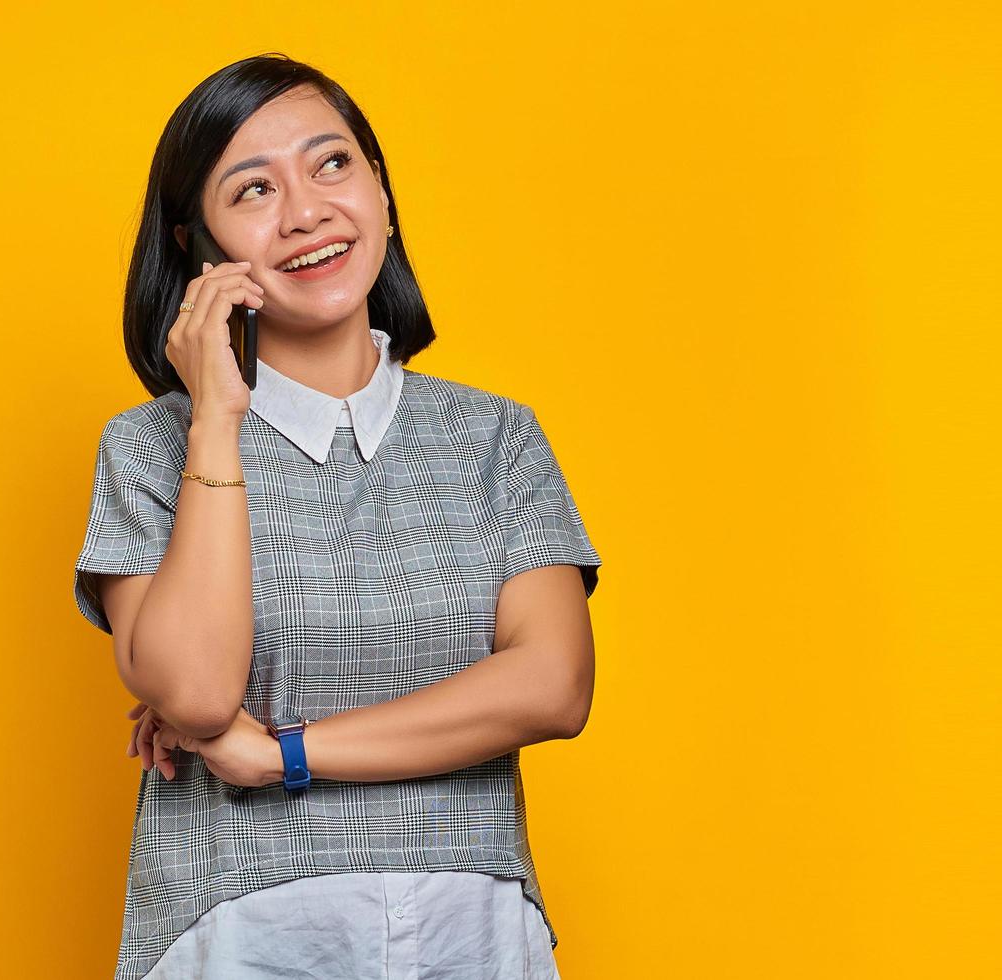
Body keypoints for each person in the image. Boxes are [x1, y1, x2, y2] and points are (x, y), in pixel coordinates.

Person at [71, 53, 603, 980]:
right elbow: (195, 692)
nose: (307, 211)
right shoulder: (150, 448)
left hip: (472, 928)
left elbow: (552, 686)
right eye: (252, 189)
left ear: (383, 197)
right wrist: (215, 422)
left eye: (332, 164)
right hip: (236, 930)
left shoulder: (494, 437)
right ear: (201, 247)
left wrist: (280, 753)